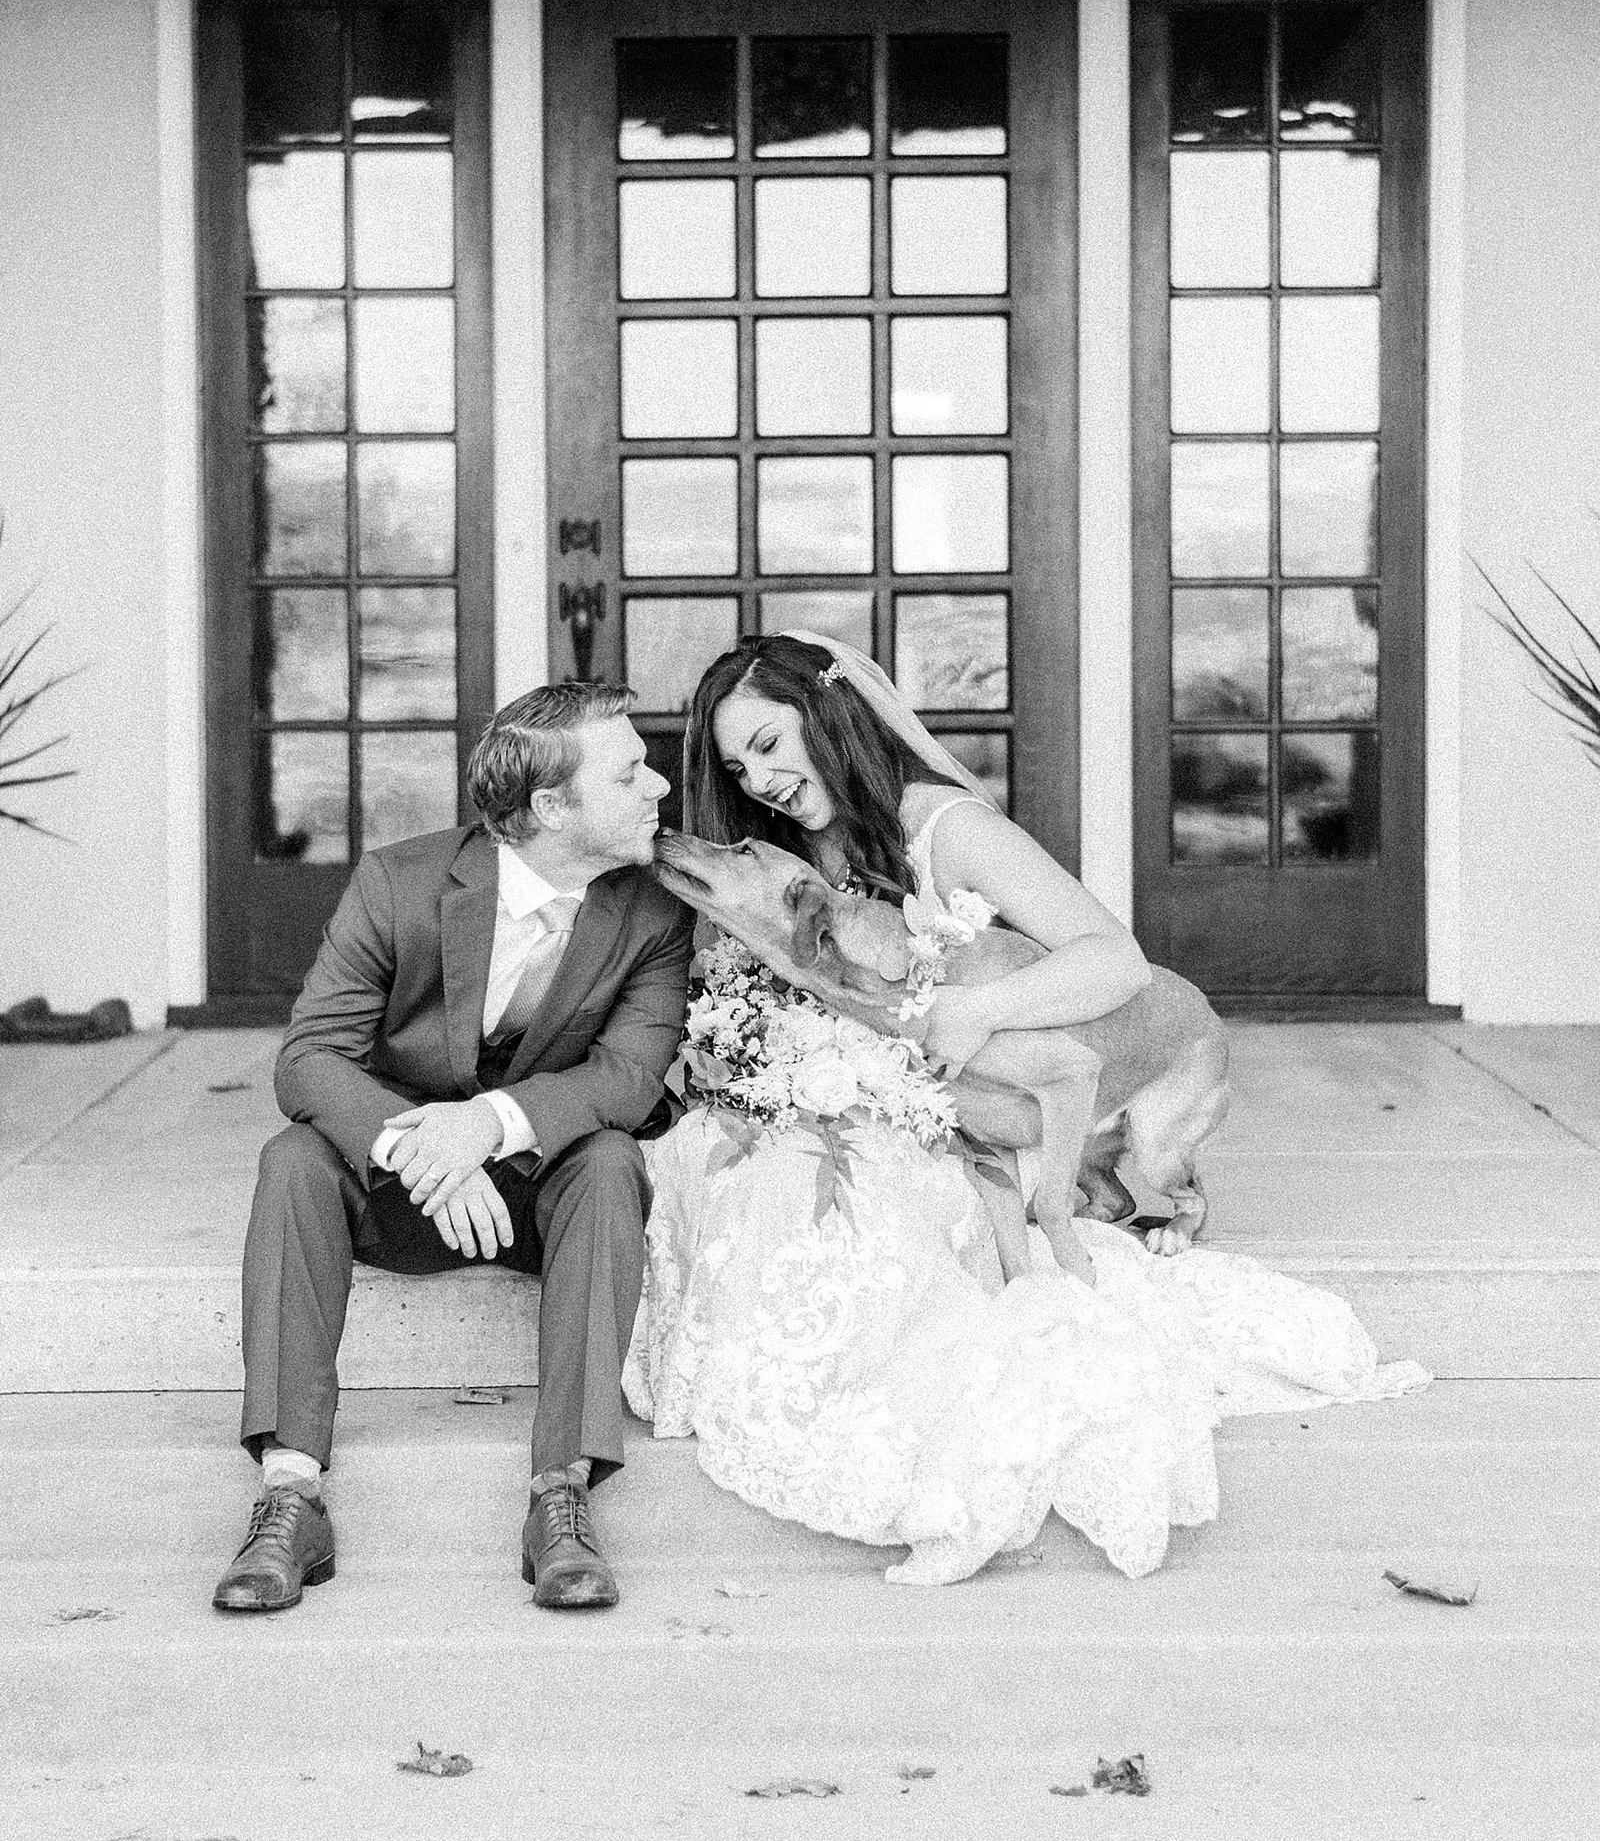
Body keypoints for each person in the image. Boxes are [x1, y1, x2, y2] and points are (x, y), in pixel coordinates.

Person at [623, 633, 1426, 1586]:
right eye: (737, 767)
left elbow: (1117, 960)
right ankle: (828, 1408)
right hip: (911, 1107)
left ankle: (927, 1445)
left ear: (827, 715)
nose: (759, 779)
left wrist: (979, 1011)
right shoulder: (791, 851)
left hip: (977, 1088)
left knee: (881, 1224)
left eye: (768, 743)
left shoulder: (945, 826)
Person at [215, 683, 691, 1615]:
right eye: (630, 772)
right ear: (551, 806)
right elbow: (309, 1059)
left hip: (544, 1192)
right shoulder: (401, 882)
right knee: (293, 1159)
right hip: (404, 1189)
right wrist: (427, 1153)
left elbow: (630, 1078)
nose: (660, 786)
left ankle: (561, 1495)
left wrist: (488, 1125)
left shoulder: (652, 912)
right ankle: (290, 1494)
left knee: (610, 1159)